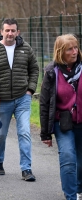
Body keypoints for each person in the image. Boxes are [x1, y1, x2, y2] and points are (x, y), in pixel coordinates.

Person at [0, 18, 39, 181]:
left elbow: (34, 69)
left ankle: (26, 169)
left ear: (17, 32)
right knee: (0, 135)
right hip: (1, 101)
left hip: (22, 99)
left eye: (13, 30)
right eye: (7, 30)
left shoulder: (26, 49)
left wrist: (30, 90)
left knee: (25, 132)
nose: (10, 33)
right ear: (1, 32)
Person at [40, 34, 82, 200]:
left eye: (76, 48)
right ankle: (71, 196)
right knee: (68, 158)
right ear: (60, 52)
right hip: (63, 123)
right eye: (69, 49)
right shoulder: (52, 73)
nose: (74, 52)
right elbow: (44, 104)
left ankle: (79, 189)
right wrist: (45, 133)